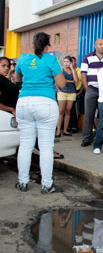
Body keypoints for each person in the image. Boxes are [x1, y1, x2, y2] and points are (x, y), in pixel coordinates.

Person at [14, 32, 66, 193]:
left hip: (24, 103)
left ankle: (22, 182)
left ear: (33, 43)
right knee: (45, 147)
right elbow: (62, 84)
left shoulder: (22, 58)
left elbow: (17, 79)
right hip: (45, 103)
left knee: (25, 145)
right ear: (47, 45)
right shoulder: (51, 59)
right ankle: (47, 184)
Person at [80, 38, 103, 147]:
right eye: (100, 44)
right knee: (89, 115)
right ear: (95, 45)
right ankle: (86, 138)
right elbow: (83, 74)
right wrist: (87, 88)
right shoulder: (87, 57)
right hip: (92, 89)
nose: (102, 46)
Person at [56, 55, 78, 137]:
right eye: (64, 61)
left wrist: (72, 68)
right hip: (62, 92)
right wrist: (70, 81)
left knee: (68, 111)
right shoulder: (61, 70)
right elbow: (62, 80)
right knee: (61, 111)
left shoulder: (74, 70)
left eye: (67, 62)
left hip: (71, 92)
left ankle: (65, 130)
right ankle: (58, 130)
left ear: (71, 63)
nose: (65, 63)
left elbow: (76, 80)